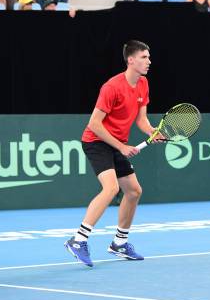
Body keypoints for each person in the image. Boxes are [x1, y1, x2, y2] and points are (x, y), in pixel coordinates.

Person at [65, 40, 164, 267]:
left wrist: (152, 131)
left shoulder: (143, 84)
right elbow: (94, 124)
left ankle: (119, 243)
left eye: (148, 57)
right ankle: (78, 240)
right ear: (131, 60)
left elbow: (141, 119)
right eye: (144, 57)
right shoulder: (112, 87)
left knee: (134, 191)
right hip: (97, 141)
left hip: (117, 142)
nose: (149, 61)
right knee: (111, 188)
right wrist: (121, 147)